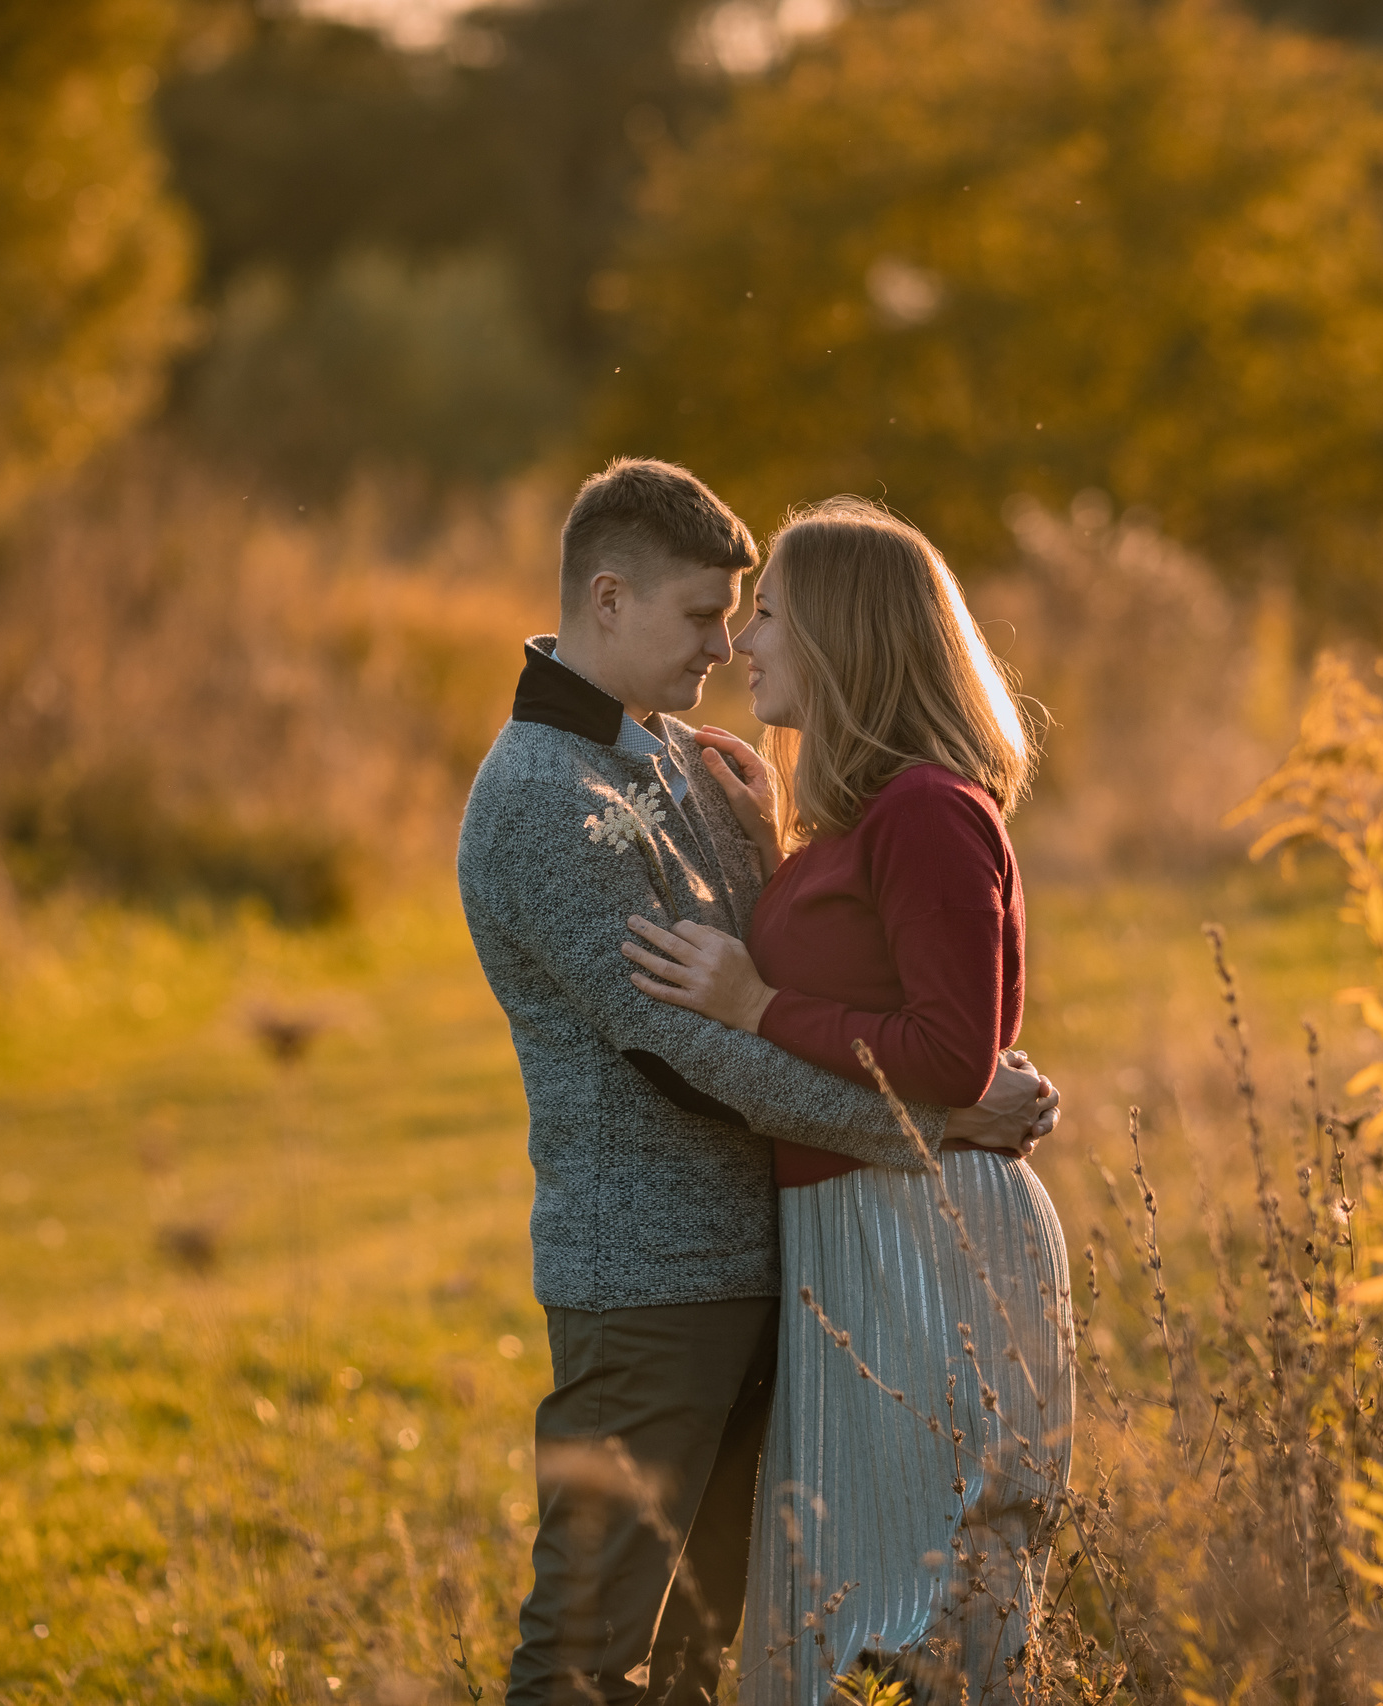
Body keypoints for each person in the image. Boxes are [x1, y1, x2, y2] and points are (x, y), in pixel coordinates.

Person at [456, 459, 1061, 1706]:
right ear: (608, 599)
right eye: (700, 615)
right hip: (649, 1283)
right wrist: (932, 1121)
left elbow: (784, 964)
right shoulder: (538, 796)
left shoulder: (683, 759)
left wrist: (770, 844)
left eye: (743, 616)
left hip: (776, 1268)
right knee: (585, 1644)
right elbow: (694, 1056)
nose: (725, 646)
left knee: (712, 1645)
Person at [618, 497, 1075, 1703]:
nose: (742, 641)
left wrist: (755, 1002)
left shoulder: (928, 810)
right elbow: (870, 971)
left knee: (912, 1619)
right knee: (836, 1612)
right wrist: (775, 849)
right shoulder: (858, 821)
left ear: (840, 634)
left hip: (926, 1237)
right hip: (859, 1229)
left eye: (768, 613)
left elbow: (948, 1056)